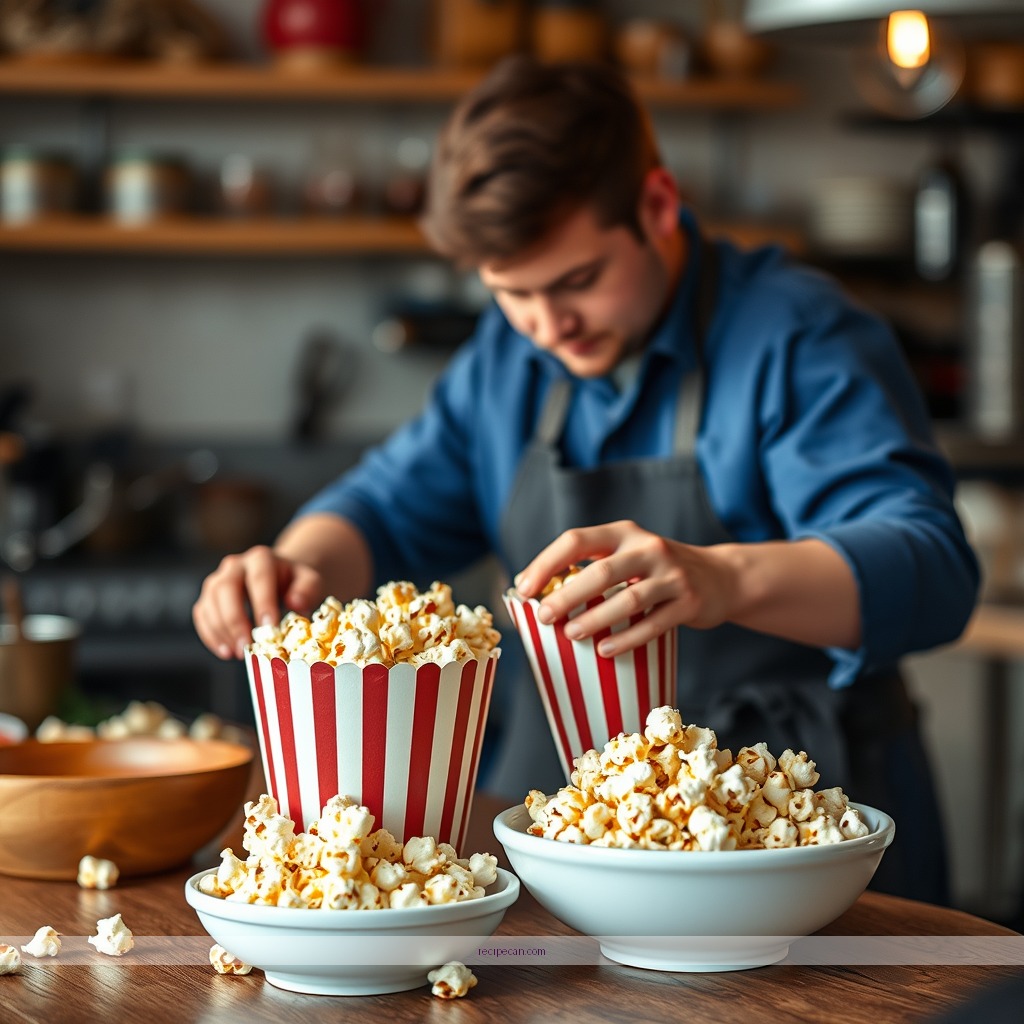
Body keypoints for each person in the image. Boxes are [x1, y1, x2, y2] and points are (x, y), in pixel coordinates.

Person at [193, 55, 979, 904]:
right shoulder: (509, 361)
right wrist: (294, 565)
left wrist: (724, 574)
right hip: (565, 831)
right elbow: (382, 509)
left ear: (657, 205)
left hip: (791, 837)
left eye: (577, 282)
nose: (548, 325)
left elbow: (930, 567)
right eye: (511, 294)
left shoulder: (798, 337)